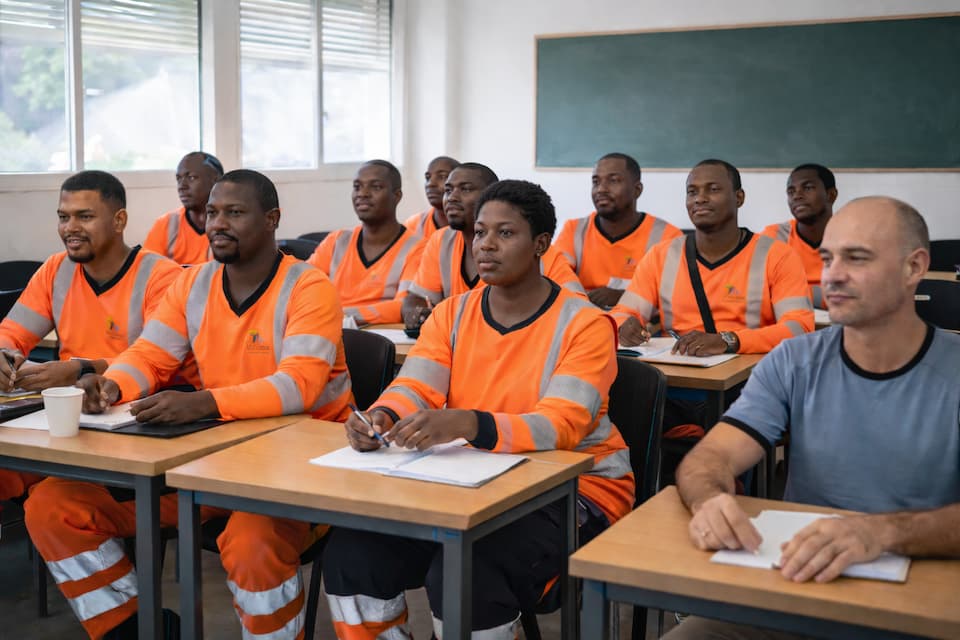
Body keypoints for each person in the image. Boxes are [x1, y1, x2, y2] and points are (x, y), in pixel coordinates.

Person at [24, 169, 353, 640]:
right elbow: (150, 354)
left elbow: (297, 387)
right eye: (214, 213)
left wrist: (202, 403)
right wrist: (112, 385)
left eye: (235, 213)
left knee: (251, 543)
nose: (218, 223)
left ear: (272, 220)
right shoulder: (193, 282)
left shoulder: (309, 287)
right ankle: (137, 629)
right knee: (53, 505)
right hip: (209, 467)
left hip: (299, 475)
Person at [322, 179, 634, 640]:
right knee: (352, 551)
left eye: (505, 234)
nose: (485, 245)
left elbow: (561, 426)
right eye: (480, 233)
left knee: (466, 571)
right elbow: (416, 385)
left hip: (575, 489)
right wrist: (383, 416)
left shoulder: (584, 323)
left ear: (541, 244)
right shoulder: (452, 312)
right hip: (467, 481)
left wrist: (467, 422)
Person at [664, 196, 960, 640]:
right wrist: (709, 501)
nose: (832, 275)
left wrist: (882, 533)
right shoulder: (794, 360)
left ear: (913, 268)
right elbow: (710, 458)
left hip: (923, 596)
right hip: (798, 582)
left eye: (856, 258)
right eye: (827, 258)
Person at [0, 170, 183, 509]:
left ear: (119, 220)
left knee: (53, 506)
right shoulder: (57, 269)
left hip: (131, 425)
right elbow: (12, 332)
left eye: (85, 217)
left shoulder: (162, 277)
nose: (70, 228)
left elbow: (161, 363)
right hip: (59, 422)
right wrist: (3, 353)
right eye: (63, 217)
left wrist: (80, 369)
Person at [613, 159, 814, 356]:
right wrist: (623, 325)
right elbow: (622, 312)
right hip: (678, 372)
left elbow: (799, 328)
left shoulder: (778, 256)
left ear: (739, 198)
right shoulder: (661, 256)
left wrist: (729, 340)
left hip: (751, 375)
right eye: (692, 192)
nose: (700, 198)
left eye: (713, 189)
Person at [402, 162, 583, 328]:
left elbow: (577, 307)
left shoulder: (535, 251)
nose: (452, 198)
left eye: (465, 189)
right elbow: (417, 297)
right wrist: (417, 313)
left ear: (490, 196)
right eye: (448, 190)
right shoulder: (440, 240)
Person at [554, 152, 682, 308]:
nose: (601, 189)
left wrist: (624, 297)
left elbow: (674, 295)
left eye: (613, 180)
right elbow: (555, 277)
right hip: (584, 319)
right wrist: (583, 300)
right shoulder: (574, 230)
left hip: (643, 327)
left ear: (637, 190)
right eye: (596, 181)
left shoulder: (668, 236)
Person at [307, 160, 425, 325]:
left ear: (396, 196)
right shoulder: (336, 241)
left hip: (381, 337)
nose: (363, 193)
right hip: (329, 329)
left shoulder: (417, 247)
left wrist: (342, 317)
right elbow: (301, 288)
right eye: (357, 187)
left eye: (375, 187)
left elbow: (403, 306)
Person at [761, 164, 838, 308]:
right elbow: (762, 292)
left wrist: (791, 291)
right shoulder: (775, 236)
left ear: (831, 195)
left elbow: (860, 293)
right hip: (792, 322)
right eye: (791, 191)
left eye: (808, 188)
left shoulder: (852, 235)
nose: (797, 195)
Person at [143, 151, 224, 265]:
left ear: (215, 180)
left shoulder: (230, 225)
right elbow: (149, 270)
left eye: (191, 177)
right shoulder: (165, 224)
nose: (182, 186)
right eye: (179, 179)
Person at [404, 155, 460, 238]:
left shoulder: (473, 226)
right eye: (427, 177)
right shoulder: (413, 226)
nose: (430, 184)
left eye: (442, 177)